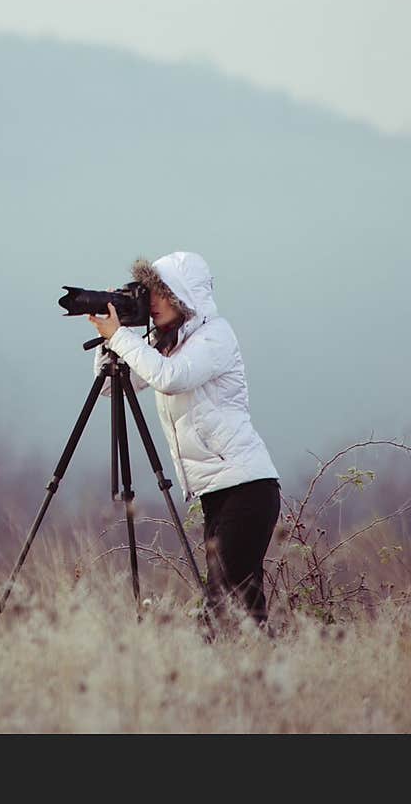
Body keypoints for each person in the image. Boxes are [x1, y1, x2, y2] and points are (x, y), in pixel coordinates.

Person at [88, 250, 280, 629]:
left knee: (223, 600)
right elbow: (115, 386)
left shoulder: (215, 337)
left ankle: (220, 668)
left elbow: (169, 378)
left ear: (183, 296)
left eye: (160, 293)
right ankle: (262, 675)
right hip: (218, 492)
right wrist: (116, 332)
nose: (153, 302)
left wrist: (123, 337)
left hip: (247, 488)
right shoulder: (167, 343)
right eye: (149, 293)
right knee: (244, 604)